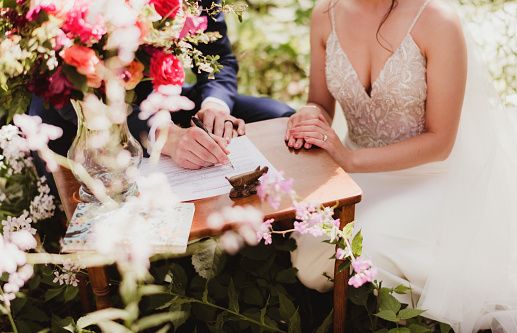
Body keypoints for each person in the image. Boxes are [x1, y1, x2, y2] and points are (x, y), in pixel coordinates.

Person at [285, 0, 517, 332]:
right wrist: (309, 115)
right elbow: (320, 102)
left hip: (426, 175)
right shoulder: (325, 14)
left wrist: (350, 160)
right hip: (357, 178)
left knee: (371, 244)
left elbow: (441, 142)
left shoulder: (437, 19)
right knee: (308, 254)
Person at [29, 0, 295, 190]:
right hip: (82, 121)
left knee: (278, 117)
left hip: (163, 100)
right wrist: (162, 135)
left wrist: (215, 106)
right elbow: (73, 92)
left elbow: (219, 56)